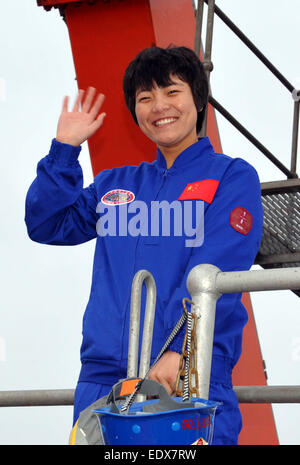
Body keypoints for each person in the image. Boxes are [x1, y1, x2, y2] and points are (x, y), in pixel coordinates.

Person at [25, 46, 263, 445]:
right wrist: (64, 149)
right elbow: (46, 223)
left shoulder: (232, 177)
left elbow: (215, 275)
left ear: (199, 99)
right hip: (104, 383)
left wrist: (181, 352)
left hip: (188, 376)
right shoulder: (115, 185)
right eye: (145, 98)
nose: (159, 107)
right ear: (134, 111)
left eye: (172, 92)